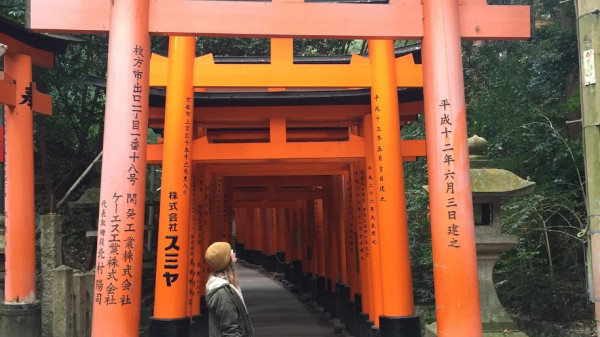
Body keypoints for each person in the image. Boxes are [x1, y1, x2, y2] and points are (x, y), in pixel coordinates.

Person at [205, 241, 255, 337]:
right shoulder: (223, 293)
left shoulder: (225, 286)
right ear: (226, 260)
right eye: (229, 251)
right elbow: (230, 330)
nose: (232, 251)